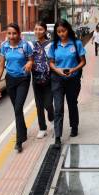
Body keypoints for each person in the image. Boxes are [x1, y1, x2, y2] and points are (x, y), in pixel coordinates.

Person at [0, 23, 33, 153]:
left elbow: (31, 60)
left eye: (14, 33)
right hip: (10, 80)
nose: (11, 36)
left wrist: (29, 63)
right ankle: (24, 130)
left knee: (18, 108)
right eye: (9, 33)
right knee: (17, 110)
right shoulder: (4, 46)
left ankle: (19, 141)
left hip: (23, 79)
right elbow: (1, 66)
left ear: (19, 34)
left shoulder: (25, 45)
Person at [48, 19, 86, 149]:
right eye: (58, 32)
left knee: (72, 103)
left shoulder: (76, 44)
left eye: (63, 31)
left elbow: (83, 61)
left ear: (68, 30)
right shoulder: (54, 45)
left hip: (73, 79)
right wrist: (58, 70)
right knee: (58, 107)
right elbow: (51, 62)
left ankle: (74, 126)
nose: (61, 34)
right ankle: (57, 136)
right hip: (57, 79)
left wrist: (73, 70)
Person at [31, 21, 55, 139]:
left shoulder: (51, 44)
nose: (37, 31)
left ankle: (52, 117)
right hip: (36, 79)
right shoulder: (32, 45)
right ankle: (42, 128)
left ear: (45, 31)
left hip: (49, 79)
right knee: (39, 105)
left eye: (40, 29)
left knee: (48, 104)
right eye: (36, 29)